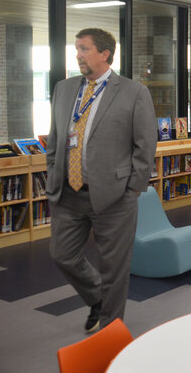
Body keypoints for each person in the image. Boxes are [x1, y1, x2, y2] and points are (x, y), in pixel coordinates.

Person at [46, 28, 157, 333]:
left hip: (115, 194)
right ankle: (97, 298)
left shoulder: (134, 92)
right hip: (68, 192)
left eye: (83, 49)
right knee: (62, 254)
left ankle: (110, 330)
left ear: (105, 53)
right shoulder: (64, 89)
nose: (77, 55)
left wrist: (133, 188)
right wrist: (53, 172)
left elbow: (145, 144)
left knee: (114, 267)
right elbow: (55, 139)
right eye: (76, 49)